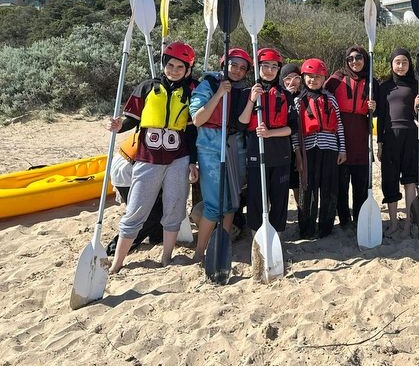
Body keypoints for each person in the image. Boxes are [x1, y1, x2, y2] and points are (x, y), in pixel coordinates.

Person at [106, 41, 199, 273]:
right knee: (136, 208)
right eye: (170, 65)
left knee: (175, 207)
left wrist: (193, 162)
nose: (174, 70)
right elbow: (132, 119)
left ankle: (166, 257)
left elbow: (192, 131)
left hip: (178, 157)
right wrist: (119, 126)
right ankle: (117, 263)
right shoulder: (147, 87)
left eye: (180, 67)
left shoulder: (192, 90)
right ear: (163, 65)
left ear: (188, 69)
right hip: (147, 157)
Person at [189, 48, 252, 262]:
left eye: (242, 68)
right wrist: (218, 94)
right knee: (214, 204)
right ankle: (199, 252)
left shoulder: (243, 90)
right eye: (233, 65)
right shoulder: (209, 85)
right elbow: (198, 119)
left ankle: (222, 245)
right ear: (224, 63)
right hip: (210, 147)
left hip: (234, 146)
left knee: (231, 202)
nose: (237, 70)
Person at [238, 48, 295, 235]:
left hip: (280, 154)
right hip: (256, 152)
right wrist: (252, 100)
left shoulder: (286, 95)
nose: (269, 70)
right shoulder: (248, 92)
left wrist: (270, 133)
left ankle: (277, 234)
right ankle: (256, 234)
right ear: (258, 67)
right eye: (265, 66)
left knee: (279, 197)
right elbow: (242, 123)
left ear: (278, 69)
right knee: (256, 196)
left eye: (274, 66)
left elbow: (292, 128)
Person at [324, 46, 378, 229]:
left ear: (365, 59)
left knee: (360, 181)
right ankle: (344, 219)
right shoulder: (337, 78)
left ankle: (360, 217)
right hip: (340, 132)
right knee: (341, 181)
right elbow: (321, 97)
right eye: (350, 59)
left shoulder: (371, 82)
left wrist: (374, 108)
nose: (355, 62)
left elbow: (380, 112)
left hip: (361, 135)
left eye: (359, 58)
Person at [293, 58, 346, 238]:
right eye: (309, 77)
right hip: (308, 150)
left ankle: (326, 228)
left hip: (330, 149)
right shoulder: (298, 100)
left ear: (323, 79)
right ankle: (306, 228)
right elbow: (294, 131)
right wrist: (297, 153)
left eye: (317, 77)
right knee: (308, 190)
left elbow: (339, 126)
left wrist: (342, 149)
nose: (313, 80)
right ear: (303, 78)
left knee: (329, 190)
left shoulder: (330, 98)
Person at [376, 48, 419, 238]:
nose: (401, 66)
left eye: (404, 62)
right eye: (397, 62)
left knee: (410, 180)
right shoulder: (384, 87)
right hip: (390, 137)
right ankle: (394, 223)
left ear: (409, 64)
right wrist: (379, 142)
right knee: (390, 180)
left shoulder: (415, 86)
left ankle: (409, 223)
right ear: (391, 64)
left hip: (411, 136)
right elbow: (380, 117)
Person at [105, 133, 164, 256]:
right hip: (127, 169)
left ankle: (157, 238)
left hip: (134, 165)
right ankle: (113, 250)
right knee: (147, 216)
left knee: (159, 206)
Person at [279, 63, 304, 214]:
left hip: (299, 147)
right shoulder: (277, 95)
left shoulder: (304, 97)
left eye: (296, 78)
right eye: (288, 78)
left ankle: (302, 214)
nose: (292, 81)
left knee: (297, 185)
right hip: (280, 146)